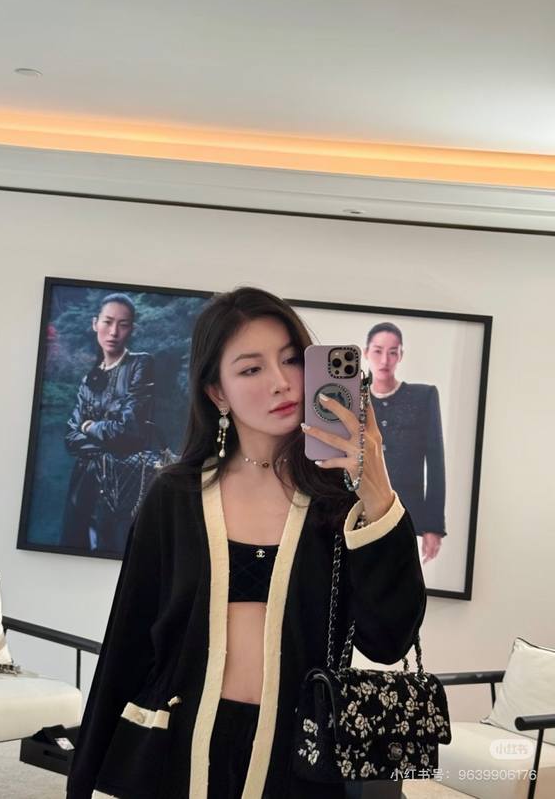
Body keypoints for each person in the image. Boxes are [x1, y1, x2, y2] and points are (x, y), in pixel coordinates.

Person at [66, 286, 426, 799]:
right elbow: (126, 645)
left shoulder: (339, 504)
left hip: (297, 764)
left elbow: (388, 641)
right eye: (251, 369)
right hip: (173, 754)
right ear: (218, 392)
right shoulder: (176, 497)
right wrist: (84, 780)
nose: (281, 382)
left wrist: (377, 491)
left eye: (291, 360)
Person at [61, 293, 155, 553]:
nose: (113, 332)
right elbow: (70, 437)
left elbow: (129, 430)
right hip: (84, 484)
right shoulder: (89, 378)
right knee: (77, 549)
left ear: (132, 329)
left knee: (120, 551)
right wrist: (111, 440)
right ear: (95, 324)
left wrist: (89, 427)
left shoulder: (140, 364)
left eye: (123, 324)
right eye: (107, 322)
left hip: (126, 484)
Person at [363, 322, 446, 564]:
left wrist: (433, 526)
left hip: (409, 517)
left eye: (393, 352)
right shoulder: (354, 399)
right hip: (360, 513)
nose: (384, 360)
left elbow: (436, 463)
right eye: (377, 351)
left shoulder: (423, 397)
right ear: (366, 353)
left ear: (401, 355)